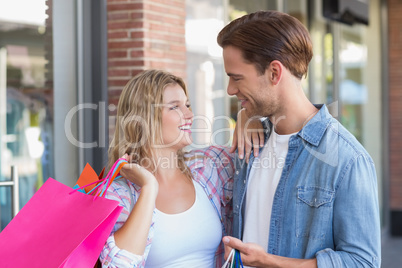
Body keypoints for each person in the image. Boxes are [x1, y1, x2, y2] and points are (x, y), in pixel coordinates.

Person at [217, 10, 381, 268]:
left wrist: (269, 262)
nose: (230, 90)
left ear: (274, 73)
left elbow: (362, 262)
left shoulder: (348, 160)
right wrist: (246, 115)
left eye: (237, 78)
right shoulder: (253, 138)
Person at [98, 69, 263, 267]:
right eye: (175, 107)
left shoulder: (208, 166)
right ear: (143, 119)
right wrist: (149, 188)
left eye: (187, 105)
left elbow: (263, 162)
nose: (189, 115)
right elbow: (117, 265)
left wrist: (249, 116)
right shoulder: (118, 195)